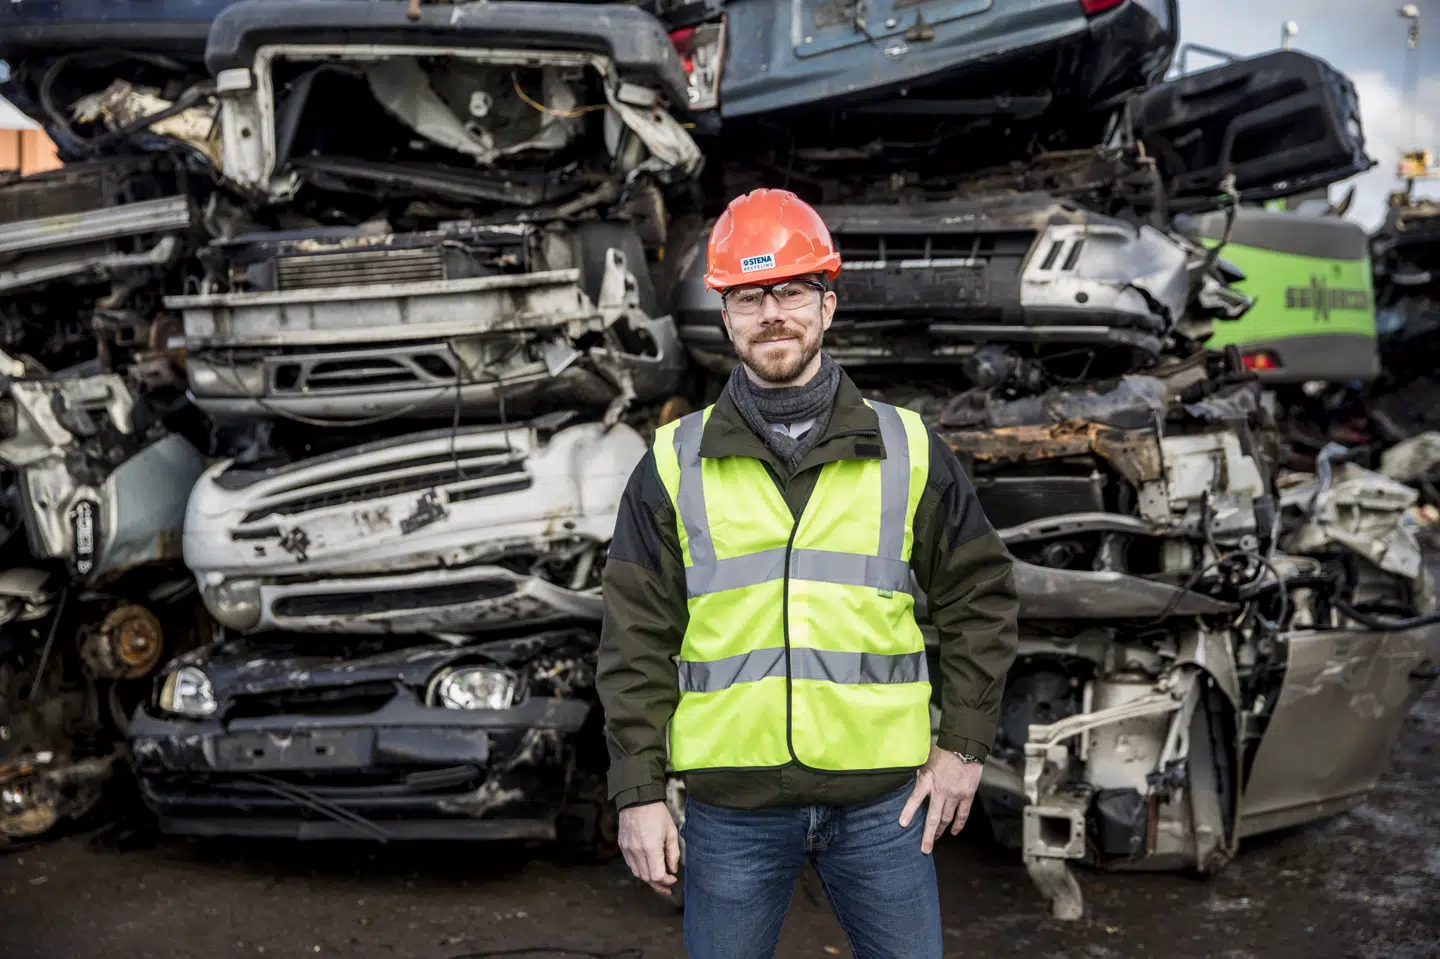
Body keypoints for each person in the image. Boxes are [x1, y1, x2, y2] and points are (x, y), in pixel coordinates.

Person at [596, 188, 1019, 958]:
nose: (773, 314)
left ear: (828, 303)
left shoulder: (912, 449)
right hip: (731, 813)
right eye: (750, 297)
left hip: (883, 809)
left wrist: (962, 746)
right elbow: (634, 642)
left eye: (791, 290)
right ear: (725, 316)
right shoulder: (669, 464)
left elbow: (980, 599)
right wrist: (639, 792)